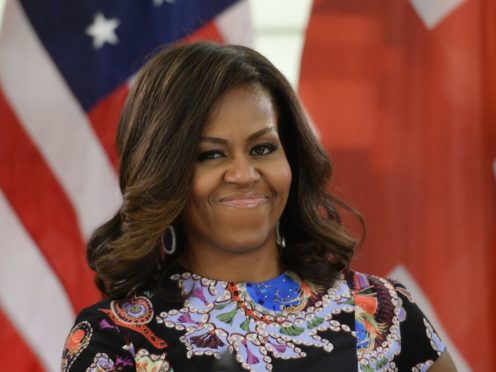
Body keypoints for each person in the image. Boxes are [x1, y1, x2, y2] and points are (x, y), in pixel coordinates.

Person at [61, 41, 456, 371]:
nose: (244, 173)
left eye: (262, 148)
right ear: (163, 174)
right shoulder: (113, 339)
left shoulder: (382, 311)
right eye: (210, 155)